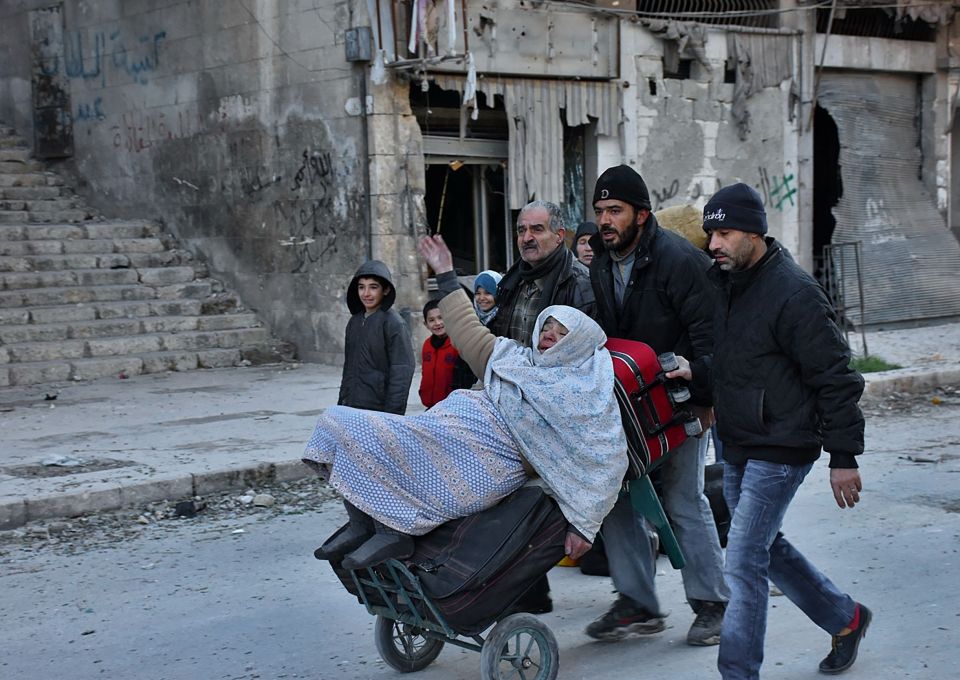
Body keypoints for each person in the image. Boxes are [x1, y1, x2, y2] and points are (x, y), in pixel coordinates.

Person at [305, 234, 627, 571]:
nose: (550, 335)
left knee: (377, 442)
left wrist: (584, 526)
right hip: (443, 425)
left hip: (480, 453)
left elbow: (606, 459)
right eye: (548, 327)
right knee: (334, 422)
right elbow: (468, 330)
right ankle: (363, 523)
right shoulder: (514, 357)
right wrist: (445, 274)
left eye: (563, 335)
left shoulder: (578, 392)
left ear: (577, 347)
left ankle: (392, 528)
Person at [669, 183, 869, 678]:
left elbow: (836, 378)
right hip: (740, 441)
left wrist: (843, 457)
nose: (714, 243)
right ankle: (847, 618)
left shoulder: (795, 293)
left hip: (782, 447)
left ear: (755, 232)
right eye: (711, 232)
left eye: (726, 232)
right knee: (762, 547)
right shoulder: (727, 285)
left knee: (741, 561)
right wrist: (699, 375)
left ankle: (738, 672)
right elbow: (740, 366)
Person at [585, 164, 729, 646]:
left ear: (642, 215)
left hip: (683, 401)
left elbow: (711, 334)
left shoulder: (678, 261)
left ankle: (714, 603)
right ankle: (638, 604)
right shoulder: (602, 263)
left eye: (616, 211)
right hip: (628, 404)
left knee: (683, 500)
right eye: (601, 211)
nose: (606, 221)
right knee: (618, 500)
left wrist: (706, 397)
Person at [488, 199, 596, 612]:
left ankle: (523, 593)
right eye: (521, 230)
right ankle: (525, 592)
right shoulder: (515, 277)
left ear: (559, 234)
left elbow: (580, 360)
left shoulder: (578, 283)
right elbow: (498, 333)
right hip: (508, 400)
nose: (527, 238)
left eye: (537, 230)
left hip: (547, 412)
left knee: (517, 501)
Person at [337, 260, 415, 415]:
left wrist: (392, 415)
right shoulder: (355, 322)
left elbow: (402, 371)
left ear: (385, 290)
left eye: (373, 287)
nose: (366, 293)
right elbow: (349, 369)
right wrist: (342, 403)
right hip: (351, 407)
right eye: (361, 287)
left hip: (378, 410)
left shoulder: (394, 323)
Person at [450, 269, 502, 390]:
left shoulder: (504, 322)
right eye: (478, 293)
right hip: (467, 385)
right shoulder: (472, 319)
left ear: (498, 293)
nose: (482, 298)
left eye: (488, 293)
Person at [418, 299, 459, 408]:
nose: (437, 323)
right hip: (430, 405)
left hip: (451, 405)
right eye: (431, 320)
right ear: (426, 324)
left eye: (441, 318)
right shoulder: (426, 345)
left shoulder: (456, 344)